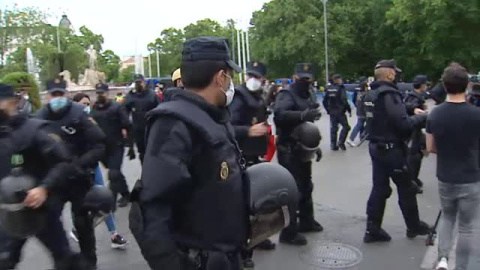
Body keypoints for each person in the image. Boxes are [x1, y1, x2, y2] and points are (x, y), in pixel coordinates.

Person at [129, 36, 249, 270]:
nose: (230, 81)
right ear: (220, 77)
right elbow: (151, 213)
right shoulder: (173, 124)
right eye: (229, 75)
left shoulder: (213, 115)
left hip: (226, 255)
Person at [0, 84, 89, 270]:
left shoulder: (35, 129)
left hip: (41, 209)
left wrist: (44, 187)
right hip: (7, 212)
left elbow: (63, 162)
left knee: (67, 262)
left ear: (14, 103)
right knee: (4, 259)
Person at [35, 81, 106, 269]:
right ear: (48, 96)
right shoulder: (39, 118)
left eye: (60, 94)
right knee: (49, 222)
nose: (57, 98)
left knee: (83, 224)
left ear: (66, 94)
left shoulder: (80, 114)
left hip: (79, 178)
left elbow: (99, 144)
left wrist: (80, 164)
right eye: (53, 94)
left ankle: (90, 263)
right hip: (55, 182)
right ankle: (65, 261)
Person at [362, 60, 430, 244]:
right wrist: (421, 117)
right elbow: (403, 125)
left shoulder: (371, 93)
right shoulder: (389, 93)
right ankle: (414, 225)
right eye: (395, 73)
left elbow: (386, 112)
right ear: (390, 74)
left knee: (380, 188)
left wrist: (408, 108)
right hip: (392, 151)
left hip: (376, 147)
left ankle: (372, 228)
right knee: (406, 188)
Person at [426, 64, 480, 270]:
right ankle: (462, 267)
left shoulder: (435, 114)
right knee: (466, 228)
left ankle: (442, 259)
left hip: (446, 176)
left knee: (448, 218)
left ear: (444, 86)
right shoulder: (476, 114)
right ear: (467, 86)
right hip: (471, 176)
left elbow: (430, 147)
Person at [228, 61, 274, 268]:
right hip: (242, 154)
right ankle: (243, 251)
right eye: (251, 75)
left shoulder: (257, 95)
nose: (253, 80)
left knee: (257, 200)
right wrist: (248, 130)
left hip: (255, 153)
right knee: (244, 204)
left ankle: (258, 237)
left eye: (258, 76)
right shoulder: (239, 97)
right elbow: (228, 127)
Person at [274, 63, 323, 246]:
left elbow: (308, 127)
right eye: (302, 78)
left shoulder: (308, 94)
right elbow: (280, 115)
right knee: (292, 191)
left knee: (306, 186)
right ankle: (288, 231)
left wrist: (314, 146)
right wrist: (303, 115)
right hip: (288, 148)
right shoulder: (286, 95)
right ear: (295, 77)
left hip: (303, 147)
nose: (305, 82)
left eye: (308, 78)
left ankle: (307, 221)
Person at [71, 92, 128, 249]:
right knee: (78, 202)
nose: (86, 107)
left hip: (93, 166)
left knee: (104, 198)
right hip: (76, 169)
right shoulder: (70, 125)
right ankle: (77, 230)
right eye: (83, 104)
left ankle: (114, 234)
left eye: (88, 104)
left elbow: (101, 140)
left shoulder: (92, 121)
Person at [91, 84, 132, 208]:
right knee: (115, 173)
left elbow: (127, 124)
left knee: (113, 174)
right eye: (98, 93)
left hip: (116, 146)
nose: (100, 95)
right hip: (102, 148)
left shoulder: (117, 107)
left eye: (102, 93)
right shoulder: (94, 109)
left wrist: (130, 144)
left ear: (107, 93)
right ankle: (125, 193)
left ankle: (110, 202)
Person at [125, 74, 160, 164]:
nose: (138, 84)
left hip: (151, 128)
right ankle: (145, 174)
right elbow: (125, 112)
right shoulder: (130, 96)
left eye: (140, 82)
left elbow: (159, 109)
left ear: (144, 82)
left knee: (152, 153)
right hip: (138, 130)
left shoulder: (152, 95)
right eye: (136, 82)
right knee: (142, 153)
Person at [404, 75, 429, 194]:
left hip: (418, 130)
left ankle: (414, 178)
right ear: (422, 85)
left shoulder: (418, 96)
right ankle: (411, 182)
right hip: (413, 131)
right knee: (414, 157)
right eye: (426, 84)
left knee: (422, 150)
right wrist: (416, 110)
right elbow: (408, 105)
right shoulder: (413, 97)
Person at [323, 74, 351, 151]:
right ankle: (341, 142)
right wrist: (349, 110)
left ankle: (333, 144)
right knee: (346, 127)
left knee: (334, 128)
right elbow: (344, 100)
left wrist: (328, 110)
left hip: (332, 111)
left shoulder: (329, 88)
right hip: (340, 111)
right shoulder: (341, 88)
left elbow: (324, 101)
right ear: (338, 80)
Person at [347, 80, 369, 147]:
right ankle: (351, 139)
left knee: (360, 124)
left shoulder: (359, 93)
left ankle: (362, 136)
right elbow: (367, 104)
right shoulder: (365, 94)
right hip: (364, 112)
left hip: (359, 111)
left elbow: (356, 102)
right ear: (365, 87)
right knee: (362, 125)